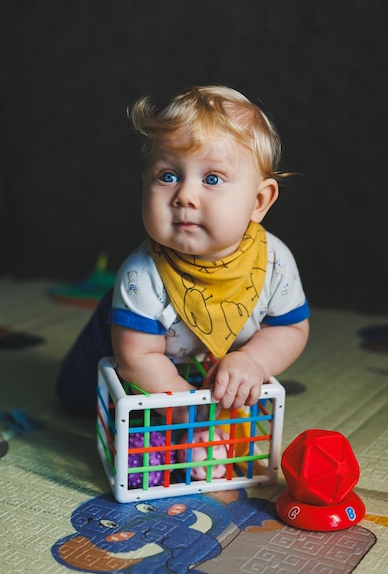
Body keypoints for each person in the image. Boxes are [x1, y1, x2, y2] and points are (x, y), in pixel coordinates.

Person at [56, 85, 310, 418]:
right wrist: (189, 416)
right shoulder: (142, 274)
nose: (185, 195)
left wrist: (252, 360)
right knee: (80, 402)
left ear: (259, 202)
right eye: (169, 175)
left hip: (193, 363)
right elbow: (138, 361)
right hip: (124, 355)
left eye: (213, 179)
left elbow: (290, 327)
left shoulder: (274, 262)